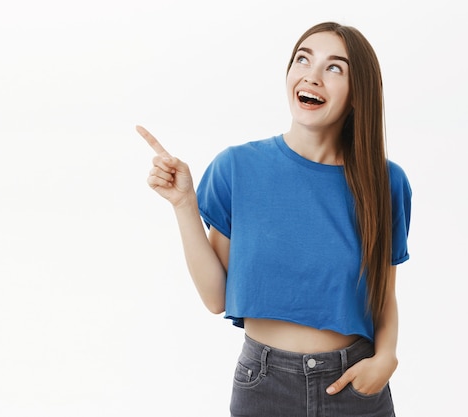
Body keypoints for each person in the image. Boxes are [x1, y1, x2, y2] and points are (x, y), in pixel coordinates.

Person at [137, 21, 411, 417]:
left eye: (334, 68)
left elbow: (383, 294)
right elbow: (216, 298)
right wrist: (184, 205)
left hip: (354, 385)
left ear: (357, 94)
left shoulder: (385, 182)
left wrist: (387, 358)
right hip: (264, 385)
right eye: (303, 59)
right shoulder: (237, 167)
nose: (312, 75)